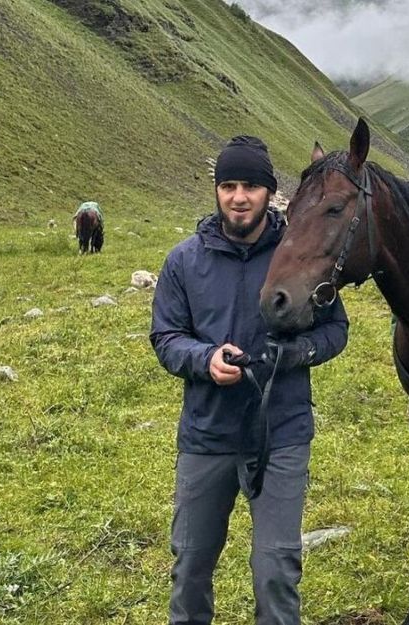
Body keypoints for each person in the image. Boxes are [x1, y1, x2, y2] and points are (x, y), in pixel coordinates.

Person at [150, 135, 349, 625]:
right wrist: (204, 359)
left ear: (269, 192)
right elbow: (167, 336)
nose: (239, 196)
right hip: (207, 435)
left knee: (275, 569)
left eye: (251, 186)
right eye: (229, 185)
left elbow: (335, 329)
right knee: (191, 566)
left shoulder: (296, 252)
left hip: (280, 435)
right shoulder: (184, 261)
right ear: (217, 191)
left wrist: (298, 352)